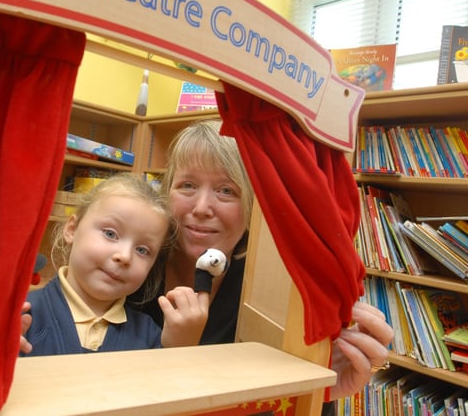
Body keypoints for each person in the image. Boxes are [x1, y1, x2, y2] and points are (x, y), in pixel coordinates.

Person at [21, 121, 393, 413]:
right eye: (186, 185)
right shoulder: (127, 274)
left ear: (253, 208)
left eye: (227, 190)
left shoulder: (271, 298)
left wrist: (321, 384)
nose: (201, 207)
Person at [21, 172, 207, 356]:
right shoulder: (21, 316)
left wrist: (182, 347)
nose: (124, 256)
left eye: (142, 250)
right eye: (110, 234)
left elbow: (169, 383)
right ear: (72, 229)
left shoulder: (150, 336)